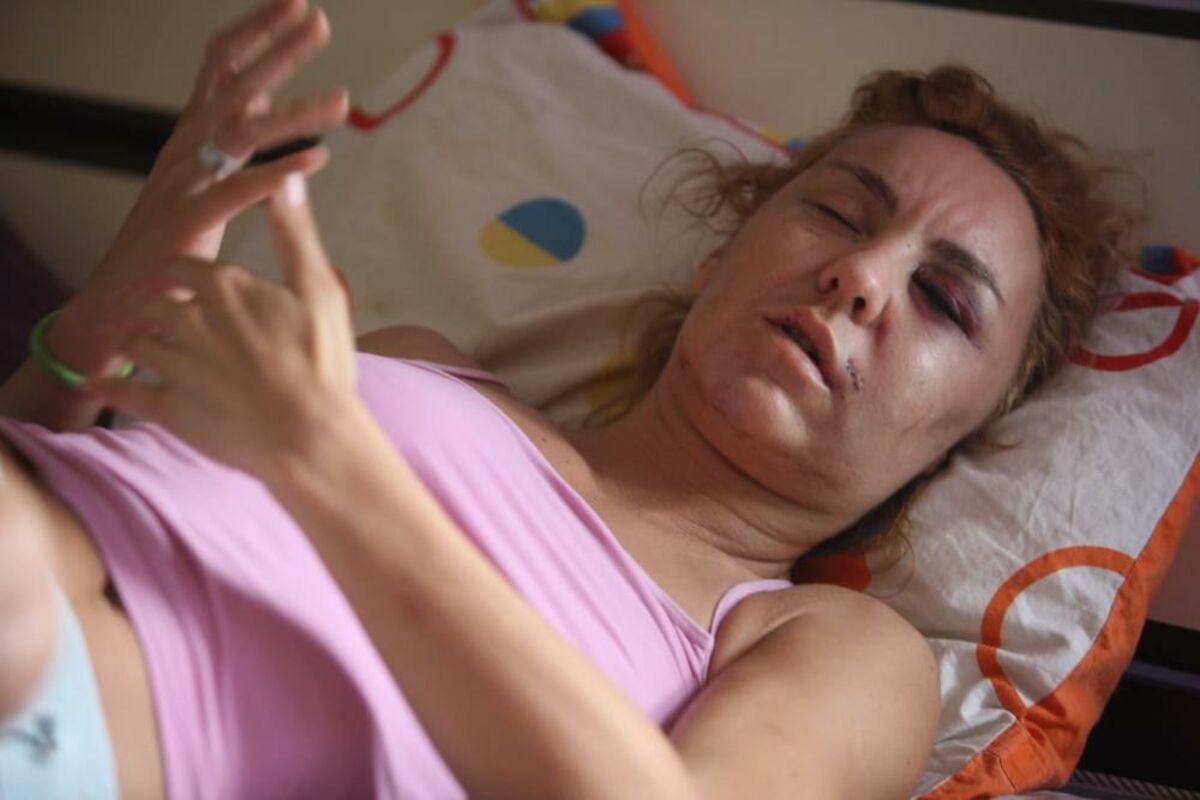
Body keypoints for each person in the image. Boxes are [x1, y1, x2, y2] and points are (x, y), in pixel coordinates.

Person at [0, 0, 1135, 797]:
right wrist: (101, 317)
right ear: (722, 255)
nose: (861, 276)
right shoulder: (417, 362)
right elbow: (75, 479)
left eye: (943, 299)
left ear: (960, 434)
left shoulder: (841, 648)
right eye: (838, 214)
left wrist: (333, 473)